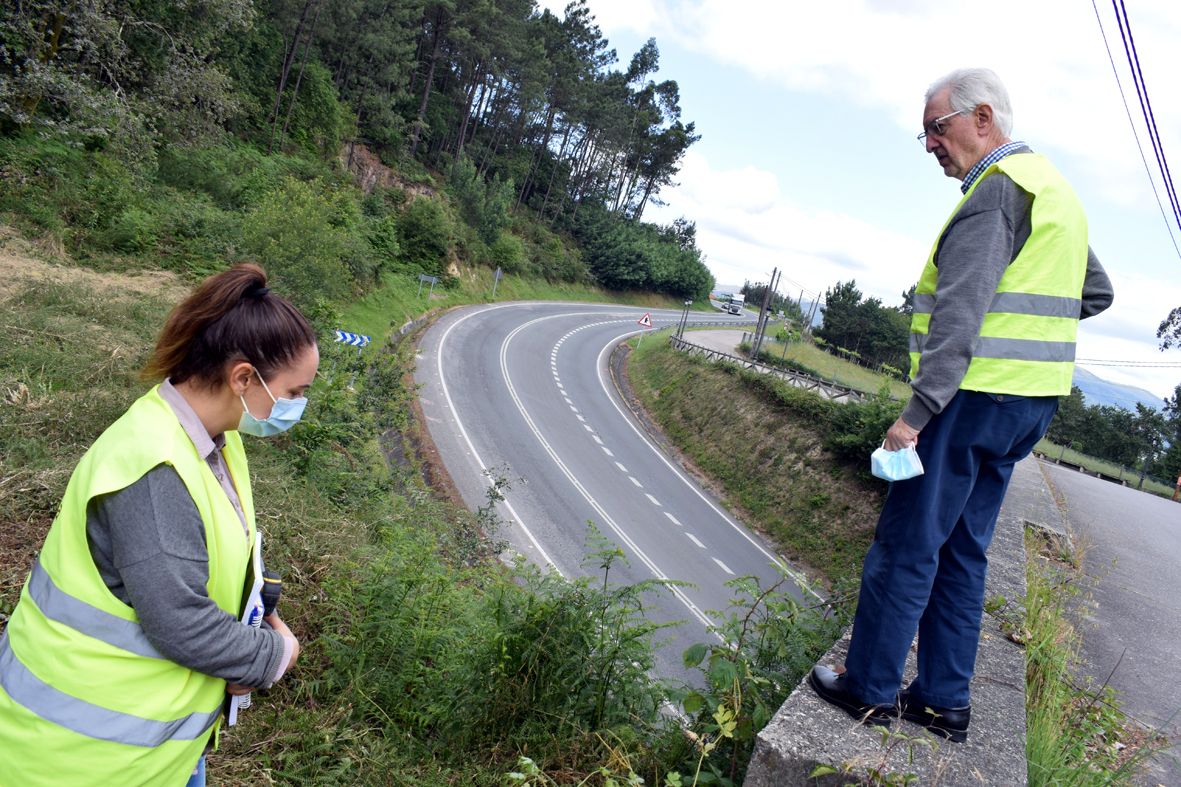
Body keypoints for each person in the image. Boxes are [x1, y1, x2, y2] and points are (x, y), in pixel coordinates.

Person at [808, 68, 1114, 742]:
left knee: (905, 544)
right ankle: (943, 701)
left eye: (934, 128)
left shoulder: (994, 194)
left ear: (981, 118)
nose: (927, 144)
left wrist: (913, 416)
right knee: (963, 550)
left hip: (970, 398)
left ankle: (868, 689)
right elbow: (1094, 292)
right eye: (923, 132)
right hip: (1027, 406)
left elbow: (958, 316)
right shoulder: (1050, 187)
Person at [0, 263, 319, 785]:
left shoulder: (214, 440)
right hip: (81, 755)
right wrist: (274, 654)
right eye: (292, 393)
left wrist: (256, 615)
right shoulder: (155, 470)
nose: (299, 406)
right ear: (243, 377)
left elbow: (211, 555)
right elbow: (182, 623)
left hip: (158, 745)